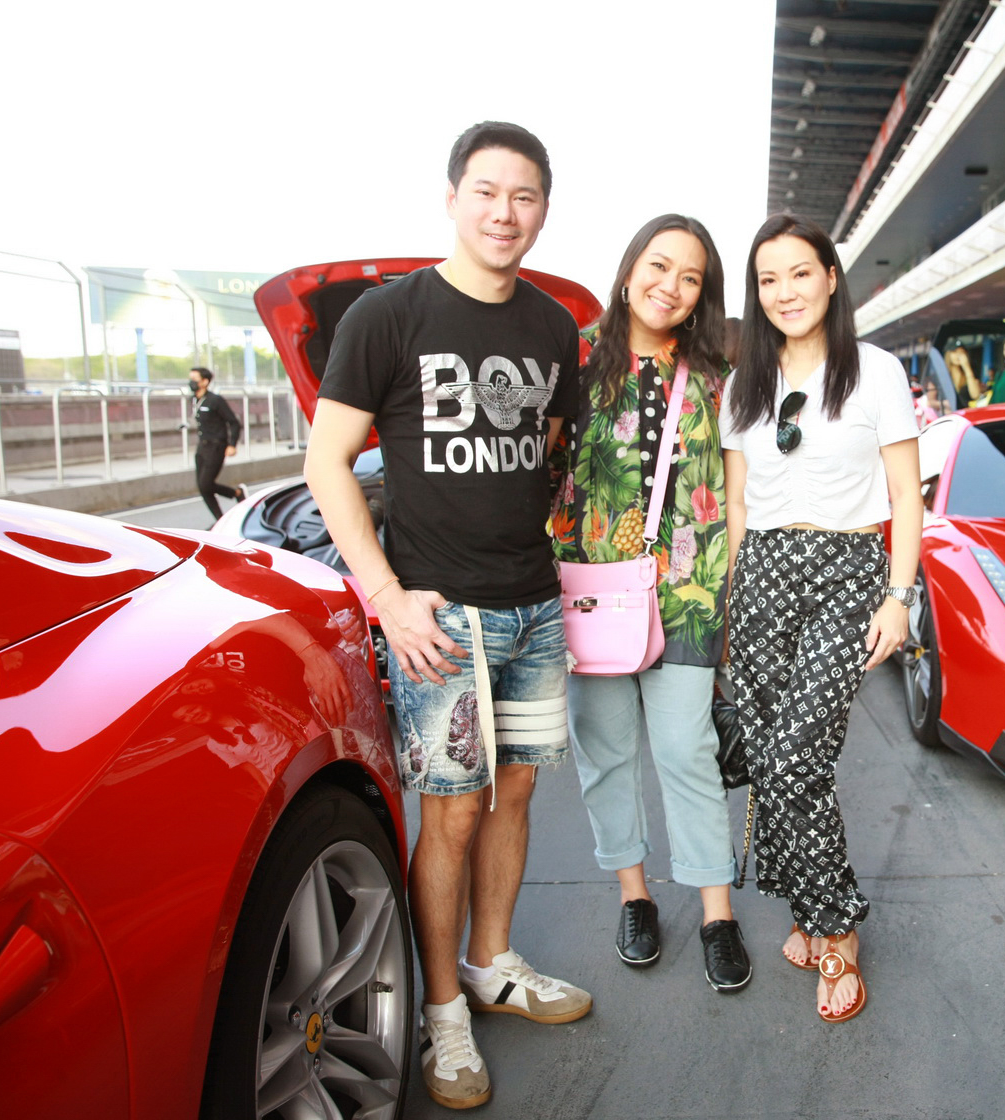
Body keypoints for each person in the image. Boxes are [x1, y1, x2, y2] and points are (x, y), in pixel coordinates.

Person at [303, 120, 591, 1111]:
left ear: (544, 208)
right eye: (487, 191)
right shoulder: (388, 317)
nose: (505, 212)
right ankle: (441, 1015)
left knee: (515, 800)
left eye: (525, 197)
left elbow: (550, 457)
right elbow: (325, 463)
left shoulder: (554, 330)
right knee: (453, 814)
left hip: (534, 607)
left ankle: (493, 962)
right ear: (453, 197)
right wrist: (385, 596)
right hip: (439, 616)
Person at [720, 213, 923, 1024]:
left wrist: (898, 598)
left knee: (799, 755)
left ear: (830, 278)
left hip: (847, 571)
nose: (785, 292)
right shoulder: (746, 380)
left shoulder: (874, 371)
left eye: (800, 273)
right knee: (774, 757)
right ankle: (805, 910)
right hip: (764, 572)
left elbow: (907, 496)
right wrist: (735, 608)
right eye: (769, 279)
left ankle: (836, 928)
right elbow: (737, 506)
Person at [550, 214, 751, 993]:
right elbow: (538, 468)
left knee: (687, 753)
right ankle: (635, 898)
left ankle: (715, 911)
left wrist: (733, 601)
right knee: (605, 754)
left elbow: (733, 495)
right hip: (591, 593)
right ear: (630, 267)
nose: (670, 286)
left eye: (690, 276)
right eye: (659, 266)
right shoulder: (573, 362)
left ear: (703, 294)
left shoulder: (714, 379)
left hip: (691, 595)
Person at [187, 367, 245, 520]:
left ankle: (236, 493)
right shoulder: (194, 400)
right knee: (202, 487)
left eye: (194, 379)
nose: (191, 383)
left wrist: (232, 444)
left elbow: (233, 422)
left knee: (206, 484)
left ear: (205, 382)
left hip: (217, 446)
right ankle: (220, 520)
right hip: (202, 446)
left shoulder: (215, 400)